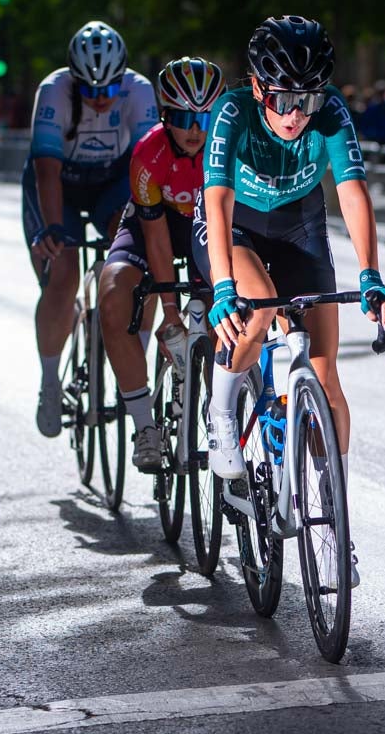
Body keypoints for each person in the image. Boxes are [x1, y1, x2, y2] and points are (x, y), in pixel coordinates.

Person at [197, 16, 385, 586]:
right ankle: (220, 409)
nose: (296, 114)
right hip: (234, 225)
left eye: (307, 97)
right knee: (258, 306)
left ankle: (332, 521)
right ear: (260, 86)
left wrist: (371, 275)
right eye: (285, 97)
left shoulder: (329, 112)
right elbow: (215, 203)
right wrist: (220, 287)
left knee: (325, 372)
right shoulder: (233, 112)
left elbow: (352, 191)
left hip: (298, 225)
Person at [24, 20, 159, 437]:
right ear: (74, 80)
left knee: (142, 264)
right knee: (62, 275)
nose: (101, 100)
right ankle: (50, 382)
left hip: (111, 180)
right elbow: (46, 170)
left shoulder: (138, 90)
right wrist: (53, 230)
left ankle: (131, 359)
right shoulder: (53, 91)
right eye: (91, 91)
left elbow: (147, 165)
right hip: (58, 183)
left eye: (109, 90)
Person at [97, 57, 225, 470]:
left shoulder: (226, 149)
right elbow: (155, 237)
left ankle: (221, 421)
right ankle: (146, 429)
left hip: (208, 224)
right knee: (114, 294)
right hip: (155, 224)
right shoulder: (148, 154)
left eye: (205, 119)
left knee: (223, 317)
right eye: (186, 118)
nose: (195, 130)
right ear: (166, 116)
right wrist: (170, 312)